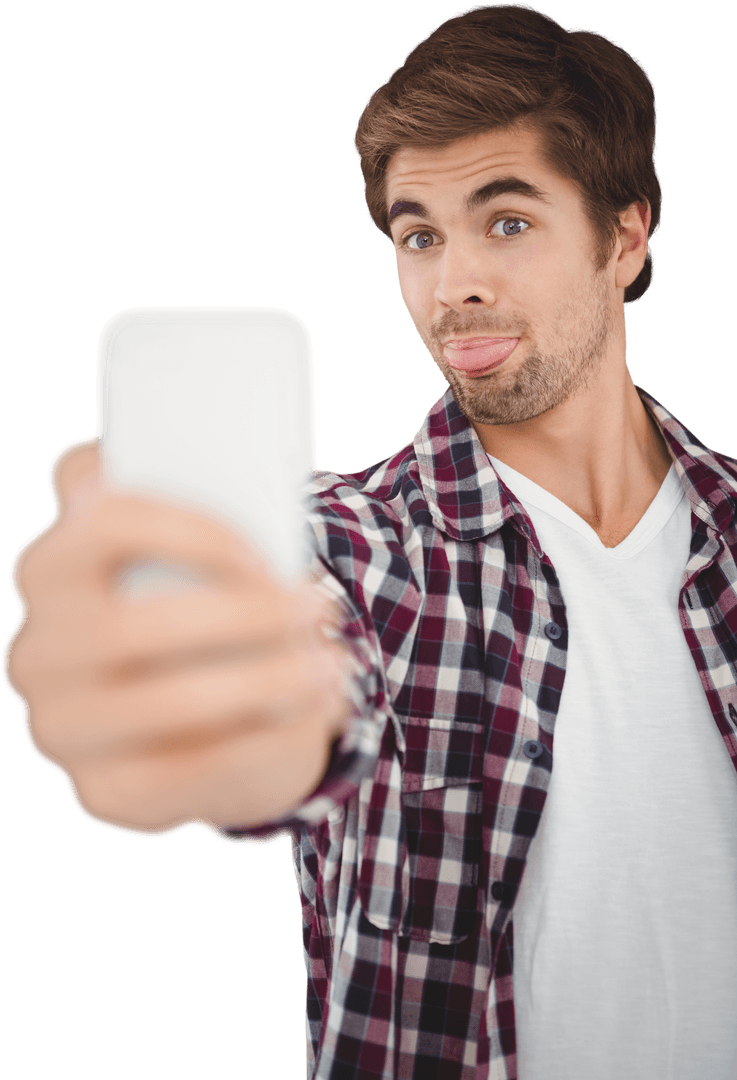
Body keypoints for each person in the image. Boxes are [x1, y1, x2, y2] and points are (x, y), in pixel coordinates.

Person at [4, 4, 737, 1078]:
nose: (453, 287)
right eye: (418, 235)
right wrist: (208, 733)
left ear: (623, 238)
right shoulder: (359, 546)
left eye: (507, 221)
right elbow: (292, 714)